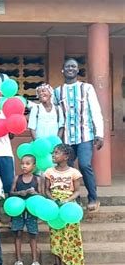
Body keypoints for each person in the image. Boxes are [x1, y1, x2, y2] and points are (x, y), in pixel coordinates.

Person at [54, 58, 104, 212]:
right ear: (63, 70)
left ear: (77, 70)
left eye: (73, 66)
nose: (70, 68)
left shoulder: (87, 88)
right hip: (67, 138)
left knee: (84, 164)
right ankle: (74, 199)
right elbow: (56, 115)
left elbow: (95, 110)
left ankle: (93, 198)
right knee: (66, 167)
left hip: (85, 135)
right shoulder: (57, 91)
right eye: (68, 66)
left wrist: (99, 133)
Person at [44, 144, 86, 265]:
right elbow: (47, 190)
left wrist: (66, 201)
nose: (53, 155)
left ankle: (70, 263)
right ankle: (57, 263)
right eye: (53, 153)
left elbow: (77, 191)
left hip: (69, 207)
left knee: (70, 236)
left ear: (66, 156)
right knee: (55, 235)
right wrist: (54, 200)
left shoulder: (74, 173)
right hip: (54, 206)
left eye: (57, 153)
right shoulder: (49, 171)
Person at [9, 155, 43, 265]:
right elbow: (11, 193)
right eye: (22, 163)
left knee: (33, 235)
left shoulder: (37, 179)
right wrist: (21, 192)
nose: (24, 166)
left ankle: (35, 261)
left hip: (31, 212)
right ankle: (18, 260)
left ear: (34, 166)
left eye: (28, 164)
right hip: (18, 211)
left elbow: (41, 195)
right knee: (18, 234)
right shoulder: (17, 178)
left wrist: (35, 193)